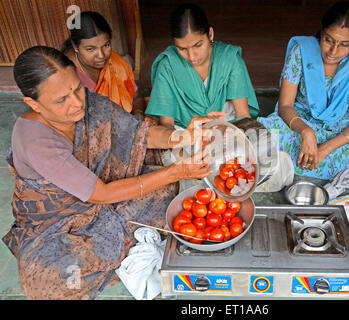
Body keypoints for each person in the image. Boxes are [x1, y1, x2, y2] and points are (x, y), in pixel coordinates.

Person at [2, 46, 221, 299]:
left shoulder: (91, 103)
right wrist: (176, 172)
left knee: (163, 183)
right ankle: (131, 244)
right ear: (33, 103)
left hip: (109, 197)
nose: (76, 103)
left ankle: (126, 244)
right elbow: (100, 193)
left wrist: (183, 135)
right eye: (61, 100)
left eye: (76, 90)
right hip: (61, 223)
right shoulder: (36, 141)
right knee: (52, 278)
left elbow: (139, 133)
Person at [258, 1, 349, 180]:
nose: (333, 52)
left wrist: (326, 148)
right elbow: (285, 106)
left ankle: (301, 161)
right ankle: (313, 160)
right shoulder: (301, 52)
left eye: (344, 44)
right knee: (262, 138)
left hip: (341, 125)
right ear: (321, 32)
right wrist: (306, 132)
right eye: (328, 40)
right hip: (301, 118)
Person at [145, 3, 260, 129]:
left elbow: (243, 115)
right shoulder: (167, 67)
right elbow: (167, 126)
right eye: (182, 49)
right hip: (185, 130)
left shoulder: (229, 59)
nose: (192, 56)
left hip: (227, 127)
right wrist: (189, 138)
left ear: (210, 34)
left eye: (198, 45)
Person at [62, 11, 147, 120]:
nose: (101, 55)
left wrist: (138, 113)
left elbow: (136, 98)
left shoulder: (116, 63)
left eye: (106, 45)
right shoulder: (65, 74)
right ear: (75, 46)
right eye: (90, 49)